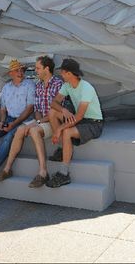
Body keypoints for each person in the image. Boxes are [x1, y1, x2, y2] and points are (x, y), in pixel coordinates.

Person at [0, 55, 63, 187]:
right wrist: (38, 119)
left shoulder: (58, 84)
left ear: (47, 69)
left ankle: (43, 173)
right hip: (41, 121)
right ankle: (7, 169)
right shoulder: (39, 86)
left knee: (34, 131)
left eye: (38, 68)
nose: (35, 70)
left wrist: (40, 122)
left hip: (53, 122)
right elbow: (36, 108)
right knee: (19, 130)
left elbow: (59, 111)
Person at [46, 58, 104, 188]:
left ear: (69, 73)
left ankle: (64, 173)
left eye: (63, 72)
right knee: (52, 113)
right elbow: (53, 103)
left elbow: (79, 116)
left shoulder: (86, 88)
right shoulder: (66, 86)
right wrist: (64, 110)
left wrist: (59, 129)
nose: (61, 74)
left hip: (93, 124)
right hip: (81, 120)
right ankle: (63, 149)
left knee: (66, 131)